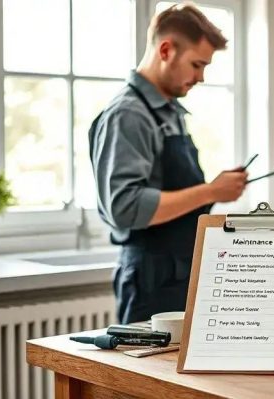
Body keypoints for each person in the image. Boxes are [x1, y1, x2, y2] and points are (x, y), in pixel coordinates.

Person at [89, 3, 247, 323]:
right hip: (151, 284)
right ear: (166, 50)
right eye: (197, 64)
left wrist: (213, 191)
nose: (201, 77)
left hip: (179, 276)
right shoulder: (128, 115)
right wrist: (210, 192)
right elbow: (124, 207)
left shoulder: (168, 113)